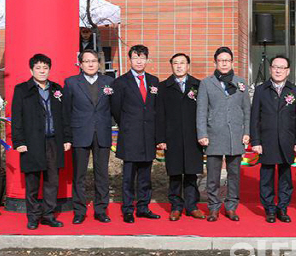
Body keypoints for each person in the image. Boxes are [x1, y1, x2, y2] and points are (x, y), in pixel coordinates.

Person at [11, 54, 72, 229]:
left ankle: (48, 215)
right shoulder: (22, 89)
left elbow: (64, 116)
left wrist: (67, 138)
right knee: (32, 182)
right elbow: (17, 118)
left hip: (54, 141)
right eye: (38, 68)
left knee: (52, 181)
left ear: (49, 70)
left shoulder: (56, 89)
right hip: (32, 142)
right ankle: (33, 216)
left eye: (45, 68)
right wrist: (19, 141)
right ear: (31, 70)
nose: (42, 71)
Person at [197, 47, 250, 222]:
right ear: (215, 62)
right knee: (213, 175)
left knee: (234, 174)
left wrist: (246, 132)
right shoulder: (206, 83)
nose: (224, 63)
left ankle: (231, 207)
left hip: (235, 135)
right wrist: (202, 133)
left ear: (232, 62)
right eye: (221, 60)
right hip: (214, 134)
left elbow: (246, 111)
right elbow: (201, 110)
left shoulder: (241, 83)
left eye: (227, 60)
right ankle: (213, 208)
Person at [63, 49, 115, 224]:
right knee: (79, 174)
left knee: (102, 174)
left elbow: (114, 107)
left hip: (102, 132)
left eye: (94, 61)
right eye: (86, 61)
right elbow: (66, 111)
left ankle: (101, 210)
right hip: (80, 133)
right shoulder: (71, 83)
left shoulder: (109, 82)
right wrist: (67, 136)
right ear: (80, 64)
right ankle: (79, 211)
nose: (91, 64)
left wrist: (110, 123)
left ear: (99, 63)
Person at [111, 45, 161, 223]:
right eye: (135, 58)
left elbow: (155, 108)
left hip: (148, 135)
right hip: (130, 134)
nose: (139, 61)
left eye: (142, 58)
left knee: (146, 175)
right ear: (130, 60)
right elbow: (116, 109)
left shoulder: (154, 81)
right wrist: (127, 124)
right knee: (129, 176)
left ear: (147, 60)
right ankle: (127, 209)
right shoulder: (120, 82)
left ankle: (143, 207)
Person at [250, 54, 296, 223]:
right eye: (275, 67)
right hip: (267, 141)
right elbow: (254, 118)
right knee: (266, 178)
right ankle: (270, 210)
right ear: (270, 69)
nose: (278, 70)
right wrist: (256, 142)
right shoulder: (261, 90)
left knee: (286, 178)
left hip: (287, 141)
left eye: (282, 67)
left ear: (288, 71)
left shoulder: (294, 90)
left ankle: (283, 209)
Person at [156, 53, 205, 221]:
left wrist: (203, 134)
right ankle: (176, 206)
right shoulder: (163, 87)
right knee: (175, 173)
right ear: (171, 66)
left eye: (182, 63)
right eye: (175, 63)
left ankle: (192, 206)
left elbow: (204, 112)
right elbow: (159, 115)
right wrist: (161, 138)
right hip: (172, 136)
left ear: (188, 66)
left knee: (191, 173)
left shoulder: (198, 85)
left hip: (193, 136)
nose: (179, 66)